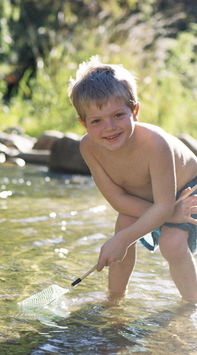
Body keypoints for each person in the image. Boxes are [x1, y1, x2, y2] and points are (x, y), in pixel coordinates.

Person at [68, 56, 197, 304]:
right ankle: (115, 300)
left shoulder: (155, 145)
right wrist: (122, 239)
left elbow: (164, 205)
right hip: (155, 199)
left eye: (118, 115)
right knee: (124, 226)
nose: (109, 128)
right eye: (96, 121)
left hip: (188, 187)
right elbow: (118, 199)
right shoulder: (89, 148)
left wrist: (123, 240)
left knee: (171, 243)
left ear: (134, 111)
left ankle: (191, 306)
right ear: (83, 124)